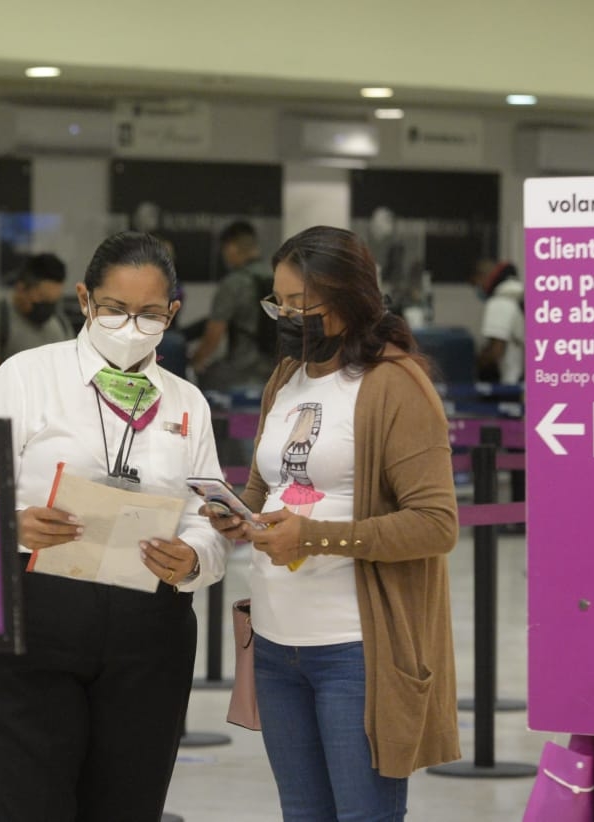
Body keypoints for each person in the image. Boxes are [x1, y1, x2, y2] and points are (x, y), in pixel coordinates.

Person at [205, 225, 460, 821]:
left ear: (348, 301)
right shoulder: (286, 378)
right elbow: (263, 488)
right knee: (303, 814)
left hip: (356, 650)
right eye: (279, 303)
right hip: (274, 642)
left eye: (302, 305)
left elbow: (435, 523)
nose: (289, 318)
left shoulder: (394, 384)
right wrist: (237, 515)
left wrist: (314, 536)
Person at [0, 231, 228, 822]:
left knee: (129, 801)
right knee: (27, 800)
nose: (129, 324)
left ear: (173, 313)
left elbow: (206, 514)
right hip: (39, 612)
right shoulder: (28, 375)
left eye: (149, 313)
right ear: (85, 300)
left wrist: (195, 557)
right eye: (114, 309)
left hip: (151, 626)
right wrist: (15, 524)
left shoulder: (187, 401)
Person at [0, 252, 73, 401]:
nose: (47, 307)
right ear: (21, 289)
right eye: (41, 298)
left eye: (53, 301)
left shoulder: (60, 324)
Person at [191, 220, 275, 392]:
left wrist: (194, 362)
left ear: (231, 248)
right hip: (278, 371)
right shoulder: (277, 277)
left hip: (243, 371)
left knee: (203, 378)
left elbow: (212, 338)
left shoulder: (233, 283)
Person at [470, 259, 525, 386]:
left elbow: (496, 351)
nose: (478, 289)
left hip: (512, 383)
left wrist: (475, 364)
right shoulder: (518, 293)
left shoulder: (500, 302)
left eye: (476, 284)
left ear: (481, 277)